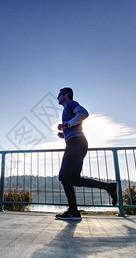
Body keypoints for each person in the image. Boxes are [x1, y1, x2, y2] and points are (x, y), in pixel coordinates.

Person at [55, 87, 119, 221]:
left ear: (66, 95)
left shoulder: (70, 104)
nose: (57, 97)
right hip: (77, 143)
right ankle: (109, 187)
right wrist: (65, 134)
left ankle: (73, 212)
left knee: (64, 176)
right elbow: (75, 125)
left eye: (59, 94)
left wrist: (66, 124)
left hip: (76, 144)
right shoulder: (67, 107)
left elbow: (84, 113)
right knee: (75, 180)